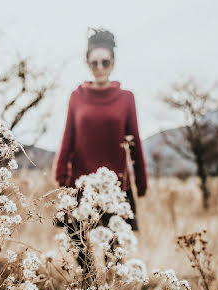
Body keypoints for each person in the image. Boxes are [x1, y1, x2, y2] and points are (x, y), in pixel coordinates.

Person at [53, 28, 148, 268]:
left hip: (115, 188)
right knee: (81, 254)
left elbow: (134, 140)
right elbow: (68, 138)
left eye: (104, 62)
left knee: (113, 257)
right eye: (94, 62)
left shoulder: (126, 98)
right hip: (81, 186)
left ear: (113, 63)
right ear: (88, 64)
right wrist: (61, 176)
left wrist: (141, 180)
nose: (99, 67)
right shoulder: (77, 96)